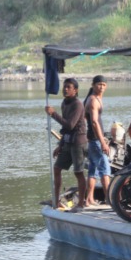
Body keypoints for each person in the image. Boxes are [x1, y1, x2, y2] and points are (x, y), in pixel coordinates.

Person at [45, 78, 87, 212]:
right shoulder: (65, 103)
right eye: (64, 87)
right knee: (57, 168)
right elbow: (66, 128)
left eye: (69, 87)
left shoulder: (78, 104)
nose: (65, 89)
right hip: (68, 141)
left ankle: (81, 203)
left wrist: (53, 114)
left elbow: (70, 124)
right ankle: (56, 200)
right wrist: (60, 145)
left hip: (78, 142)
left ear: (75, 90)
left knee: (78, 172)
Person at [83, 75, 111, 206]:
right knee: (105, 171)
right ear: (93, 85)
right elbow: (94, 122)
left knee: (92, 171)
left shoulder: (96, 99)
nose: (101, 87)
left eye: (104, 85)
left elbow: (85, 118)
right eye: (99, 84)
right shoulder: (93, 100)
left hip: (93, 139)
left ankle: (89, 199)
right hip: (95, 140)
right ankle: (111, 201)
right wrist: (103, 142)